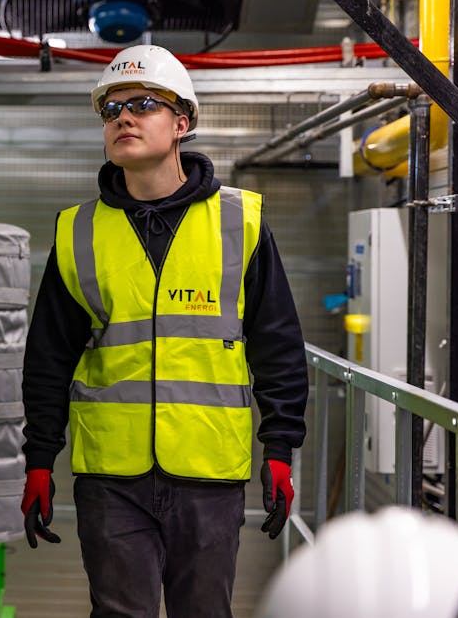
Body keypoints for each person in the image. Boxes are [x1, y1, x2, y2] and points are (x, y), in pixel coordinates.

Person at [20, 44, 309, 618]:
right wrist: (38, 457)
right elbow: (48, 357)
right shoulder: (78, 232)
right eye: (112, 110)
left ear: (182, 124)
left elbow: (277, 342)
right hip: (110, 477)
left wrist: (280, 446)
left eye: (143, 104)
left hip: (207, 473)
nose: (123, 117)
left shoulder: (238, 221)